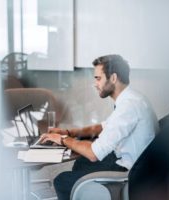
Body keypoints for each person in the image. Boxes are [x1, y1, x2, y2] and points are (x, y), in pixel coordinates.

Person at [40, 54, 159, 200]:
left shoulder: (129, 106)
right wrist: (68, 131)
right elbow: (103, 126)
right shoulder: (131, 98)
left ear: (113, 78)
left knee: (62, 181)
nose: (95, 84)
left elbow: (93, 153)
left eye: (98, 78)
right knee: (81, 162)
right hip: (135, 161)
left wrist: (63, 139)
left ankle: (90, 190)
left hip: (130, 172)